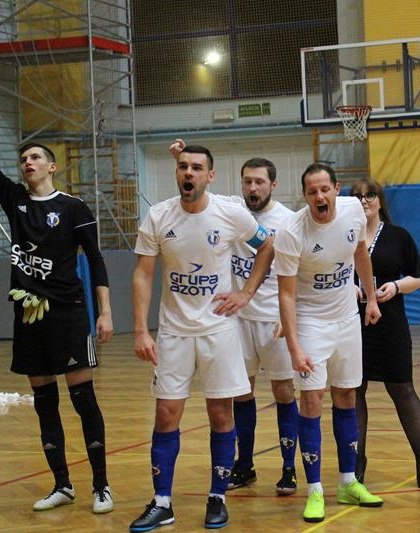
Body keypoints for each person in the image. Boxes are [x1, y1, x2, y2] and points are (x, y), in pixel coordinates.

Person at [129, 145, 275, 532]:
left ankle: (217, 496)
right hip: (173, 331)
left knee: (220, 414)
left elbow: (267, 246)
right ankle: (162, 502)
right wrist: (141, 329)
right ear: (176, 172)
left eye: (196, 168)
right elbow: (143, 273)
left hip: (218, 329)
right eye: (183, 167)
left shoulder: (230, 213)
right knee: (166, 414)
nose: (188, 173)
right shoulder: (159, 216)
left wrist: (246, 293)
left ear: (210, 176)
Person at [0, 143, 114, 514]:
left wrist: (105, 312)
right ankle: (62, 485)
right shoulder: (15, 200)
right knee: (45, 405)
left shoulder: (73, 207)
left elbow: (96, 260)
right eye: (23, 159)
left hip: (68, 315)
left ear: (52, 166)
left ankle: (101, 486)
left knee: (83, 401)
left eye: (35, 158)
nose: (28, 162)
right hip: (30, 317)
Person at [168, 141, 299, 496]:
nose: (252, 188)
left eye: (259, 182)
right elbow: (197, 189)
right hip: (236, 319)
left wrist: (292, 316)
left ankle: (289, 468)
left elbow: (299, 272)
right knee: (241, 393)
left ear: (273, 185)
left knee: (284, 391)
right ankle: (245, 464)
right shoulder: (231, 209)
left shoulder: (288, 220)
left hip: (273, 318)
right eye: (247, 181)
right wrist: (179, 159)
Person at [274, 163, 384, 523]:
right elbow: (286, 294)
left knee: (347, 395)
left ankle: (348, 482)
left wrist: (370, 298)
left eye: (325, 189)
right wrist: (294, 346)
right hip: (310, 322)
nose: (319, 196)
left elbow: (361, 253)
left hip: (347, 319)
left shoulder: (353, 211)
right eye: (312, 192)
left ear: (336, 189)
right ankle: (315, 490)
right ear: (305, 196)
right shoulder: (291, 231)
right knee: (311, 400)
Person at [349, 178, 420, 488]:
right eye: (357, 196)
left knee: (402, 390)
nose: (364, 201)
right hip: (351, 323)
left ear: (380, 201)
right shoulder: (344, 237)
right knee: (354, 392)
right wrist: (347, 289)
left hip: (390, 322)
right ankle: (357, 460)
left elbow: (419, 277)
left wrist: (396, 286)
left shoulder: (399, 236)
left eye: (370, 195)